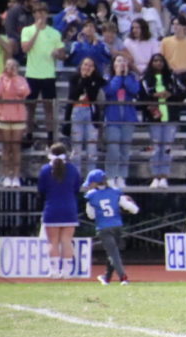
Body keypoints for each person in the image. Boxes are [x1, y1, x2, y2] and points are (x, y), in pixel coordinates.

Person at [84, 169, 140, 285]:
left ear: (94, 182)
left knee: (113, 253)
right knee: (113, 252)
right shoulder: (115, 192)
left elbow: (91, 215)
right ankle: (107, 277)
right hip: (117, 226)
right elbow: (133, 209)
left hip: (103, 227)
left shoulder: (91, 196)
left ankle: (123, 278)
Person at [139, 53, 186, 187]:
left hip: (170, 117)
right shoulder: (146, 78)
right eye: (155, 61)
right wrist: (155, 95)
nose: (158, 63)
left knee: (166, 148)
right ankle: (155, 176)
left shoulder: (171, 77)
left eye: (160, 61)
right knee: (156, 148)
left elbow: (182, 93)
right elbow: (141, 97)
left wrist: (170, 94)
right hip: (155, 118)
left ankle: (164, 176)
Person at [21, 4, 66, 147]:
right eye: (37, 12)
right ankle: (29, 135)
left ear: (47, 14)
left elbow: (63, 55)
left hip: (48, 75)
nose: (40, 15)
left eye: (43, 12)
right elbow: (25, 48)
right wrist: (37, 32)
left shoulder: (54, 33)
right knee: (30, 107)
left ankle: (50, 137)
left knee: (49, 107)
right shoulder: (27, 30)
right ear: (34, 15)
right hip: (32, 74)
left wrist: (57, 54)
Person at [37, 143, 82, 278]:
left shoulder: (45, 170)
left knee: (53, 242)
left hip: (52, 209)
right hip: (69, 208)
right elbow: (76, 188)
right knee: (67, 241)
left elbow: (41, 190)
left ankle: (54, 271)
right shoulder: (72, 169)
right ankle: (67, 272)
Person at [0, 59, 29, 186]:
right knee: (6, 147)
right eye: (8, 66)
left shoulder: (21, 79)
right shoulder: (1, 78)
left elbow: (23, 92)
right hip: (3, 116)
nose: (10, 68)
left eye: (13, 66)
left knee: (16, 147)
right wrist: (3, 78)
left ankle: (16, 176)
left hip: (18, 116)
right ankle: (7, 175)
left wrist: (14, 79)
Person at [64, 57, 105, 178]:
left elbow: (92, 95)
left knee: (91, 148)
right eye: (85, 64)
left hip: (91, 113)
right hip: (77, 112)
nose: (87, 68)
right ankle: (76, 176)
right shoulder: (74, 78)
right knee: (76, 148)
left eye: (90, 65)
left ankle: (91, 177)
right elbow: (73, 95)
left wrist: (88, 79)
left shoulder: (97, 80)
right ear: (81, 66)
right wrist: (83, 79)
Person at [103, 55, 139, 189]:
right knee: (113, 148)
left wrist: (125, 77)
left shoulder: (131, 77)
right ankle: (111, 176)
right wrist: (118, 76)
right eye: (118, 61)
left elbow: (134, 90)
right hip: (113, 118)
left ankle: (122, 176)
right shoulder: (108, 78)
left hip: (128, 117)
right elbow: (110, 91)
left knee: (125, 149)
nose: (122, 63)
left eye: (124, 61)